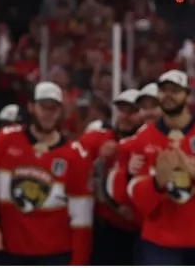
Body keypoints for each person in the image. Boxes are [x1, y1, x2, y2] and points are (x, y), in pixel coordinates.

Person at [108, 70, 195, 265]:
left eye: (175, 90)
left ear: (187, 95)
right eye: (163, 90)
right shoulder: (143, 138)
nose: (168, 95)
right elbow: (137, 200)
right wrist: (157, 182)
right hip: (161, 243)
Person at [0, 82, 94, 264]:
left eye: (53, 108)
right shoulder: (5, 140)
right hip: (10, 252)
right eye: (43, 107)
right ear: (31, 107)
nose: (48, 114)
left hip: (55, 255)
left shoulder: (75, 155)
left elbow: (82, 219)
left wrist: (78, 263)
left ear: (60, 111)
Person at [78, 89, 144, 266]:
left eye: (132, 111)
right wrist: (98, 161)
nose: (126, 116)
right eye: (122, 110)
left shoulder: (147, 142)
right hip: (105, 229)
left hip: (139, 231)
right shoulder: (95, 139)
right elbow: (77, 176)